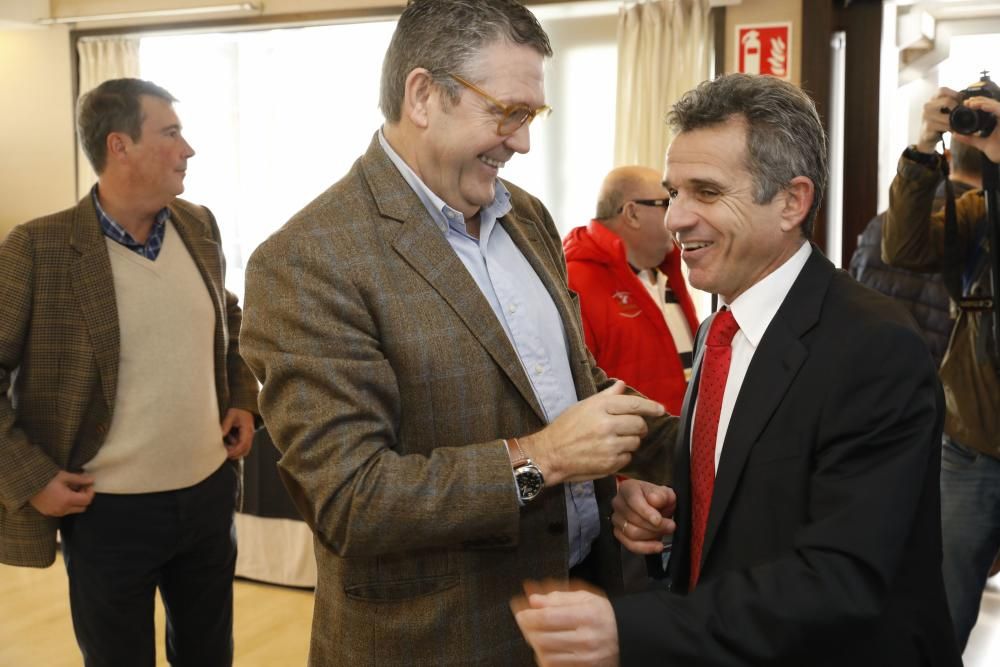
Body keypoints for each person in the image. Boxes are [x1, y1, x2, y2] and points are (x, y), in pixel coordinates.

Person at [238, 1, 673, 664]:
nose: (523, 141)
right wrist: (545, 458)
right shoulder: (308, 260)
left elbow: (570, 384)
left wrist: (619, 475)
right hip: (439, 640)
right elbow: (352, 500)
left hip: (581, 608)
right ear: (423, 95)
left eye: (532, 115)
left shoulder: (525, 217)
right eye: (508, 112)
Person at [513, 73, 962, 667]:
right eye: (673, 193)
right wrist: (672, 508)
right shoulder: (719, 332)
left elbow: (842, 578)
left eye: (706, 192)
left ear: (791, 202)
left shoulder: (875, 348)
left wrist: (629, 626)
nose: (675, 220)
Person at [0, 78, 258, 666]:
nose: (187, 149)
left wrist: (243, 396)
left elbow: (230, 318)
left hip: (208, 498)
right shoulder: (36, 249)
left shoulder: (199, 225)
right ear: (119, 147)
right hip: (105, 513)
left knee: (210, 656)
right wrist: (29, 477)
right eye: (170, 134)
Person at [883, 86, 1000, 652]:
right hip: (973, 438)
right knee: (940, 614)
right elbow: (902, 247)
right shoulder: (976, 212)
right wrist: (924, 147)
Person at [564, 166, 699, 414]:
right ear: (632, 213)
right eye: (668, 203)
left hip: (677, 443)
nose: (681, 216)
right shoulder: (575, 282)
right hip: (629, 448)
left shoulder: (666, 275)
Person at [849, 142, 984, 367]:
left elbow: (850, 306)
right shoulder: (983, 230)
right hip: (945, 391)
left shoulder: (882, 224)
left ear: (948, 156)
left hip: (873, 377)